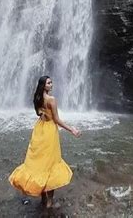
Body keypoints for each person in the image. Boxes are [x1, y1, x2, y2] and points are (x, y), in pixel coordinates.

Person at [9, 76, 81, 209]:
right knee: (51, 165)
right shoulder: (51, 100)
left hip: (39, 129)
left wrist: (44, 114)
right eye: (49, 83)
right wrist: (72, 130)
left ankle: (43, 198)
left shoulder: (37, 98)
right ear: (43, 85)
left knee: (39, 163)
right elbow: (57, 120)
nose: (51, 85)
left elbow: (38, 113)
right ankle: (49, 201)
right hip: (49, 132)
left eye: (51, 82)